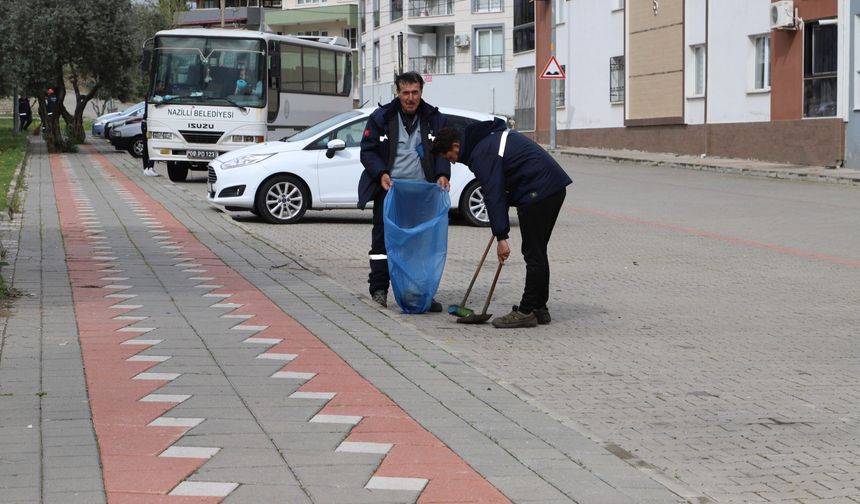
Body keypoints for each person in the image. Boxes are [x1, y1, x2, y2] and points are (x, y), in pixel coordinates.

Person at [431, 119, 572, 328]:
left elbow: (493, 192)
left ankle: (526, 311)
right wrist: (500, 223)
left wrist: (502, 237)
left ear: (455, 146)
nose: (451, 162)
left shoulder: (481, 153)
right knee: (537, 250)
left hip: (539, 191)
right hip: (549, 188)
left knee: (533, 252)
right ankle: (539, 309)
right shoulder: (485, 142)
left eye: (449, 157)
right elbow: (503, 185)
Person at [358, 71, 449, 311]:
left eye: (415, 92)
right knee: (382, 242)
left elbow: (442, 150)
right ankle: (379, 289)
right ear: (397, 93)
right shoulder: (381, 117)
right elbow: (367, 151)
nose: (410, 98)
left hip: (422, 194)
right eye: (405, 92)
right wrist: (381, 174)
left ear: (421, 92)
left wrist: (442, 174)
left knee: (419, 245)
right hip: (390, 192)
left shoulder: (434, 118)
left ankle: (419, 294)